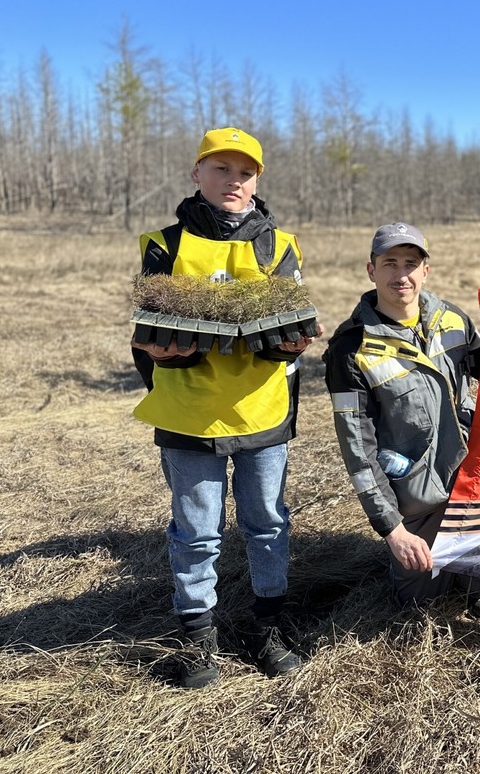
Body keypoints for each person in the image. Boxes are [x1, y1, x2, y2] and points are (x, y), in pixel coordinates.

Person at [131, 127, 318, 688]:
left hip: (261, 410)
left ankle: (268, 624)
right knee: (196, 530)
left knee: (267, 523)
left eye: (244, 172)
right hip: (188, 411)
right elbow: (146, 331)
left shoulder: (279, 245)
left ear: (257, 180)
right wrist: (158, 353)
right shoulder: (163, 243)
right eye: (220, 169)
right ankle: (196, 637)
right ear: (197, 173)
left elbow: (294, 327)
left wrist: (295, 341)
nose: (232, 181)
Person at [323, 222, 480, 619]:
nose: (400, 275)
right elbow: (359, 452)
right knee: (420, 604)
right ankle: (426, 557)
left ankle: (476, 579)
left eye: (410, 263)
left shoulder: (453, 320)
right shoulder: (351, 348)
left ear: (425, 270)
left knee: (478, 566)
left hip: (468, 478)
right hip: (416, 493)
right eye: (389, 264)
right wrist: (393, 530)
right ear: (371, 270)